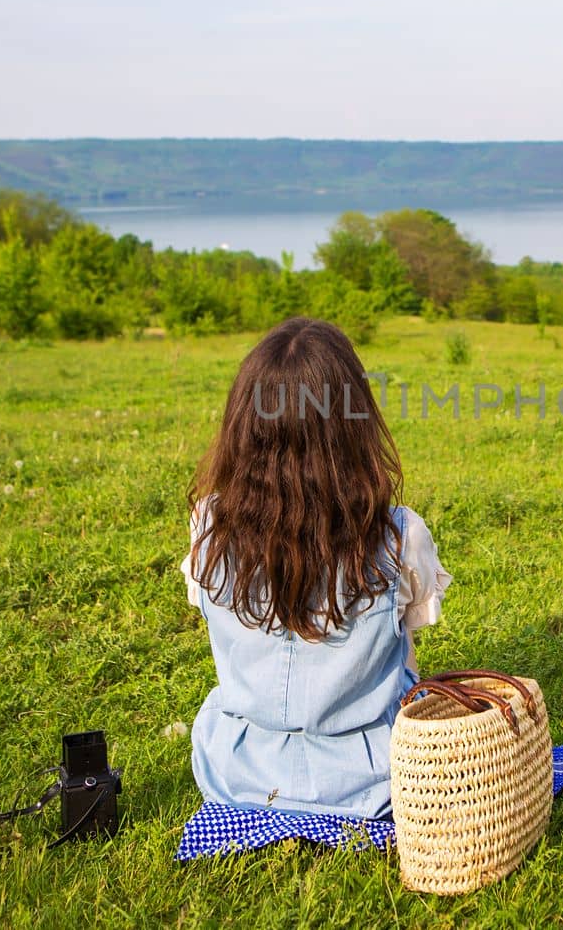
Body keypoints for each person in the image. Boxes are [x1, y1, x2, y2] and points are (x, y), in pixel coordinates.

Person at [180, 317, 451, 819]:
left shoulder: (208, 525)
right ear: (354, 424)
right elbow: (410, 653)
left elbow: (224, 633)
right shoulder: (400, 534)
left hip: (235, 772)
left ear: (243, 426)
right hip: (378, 780)